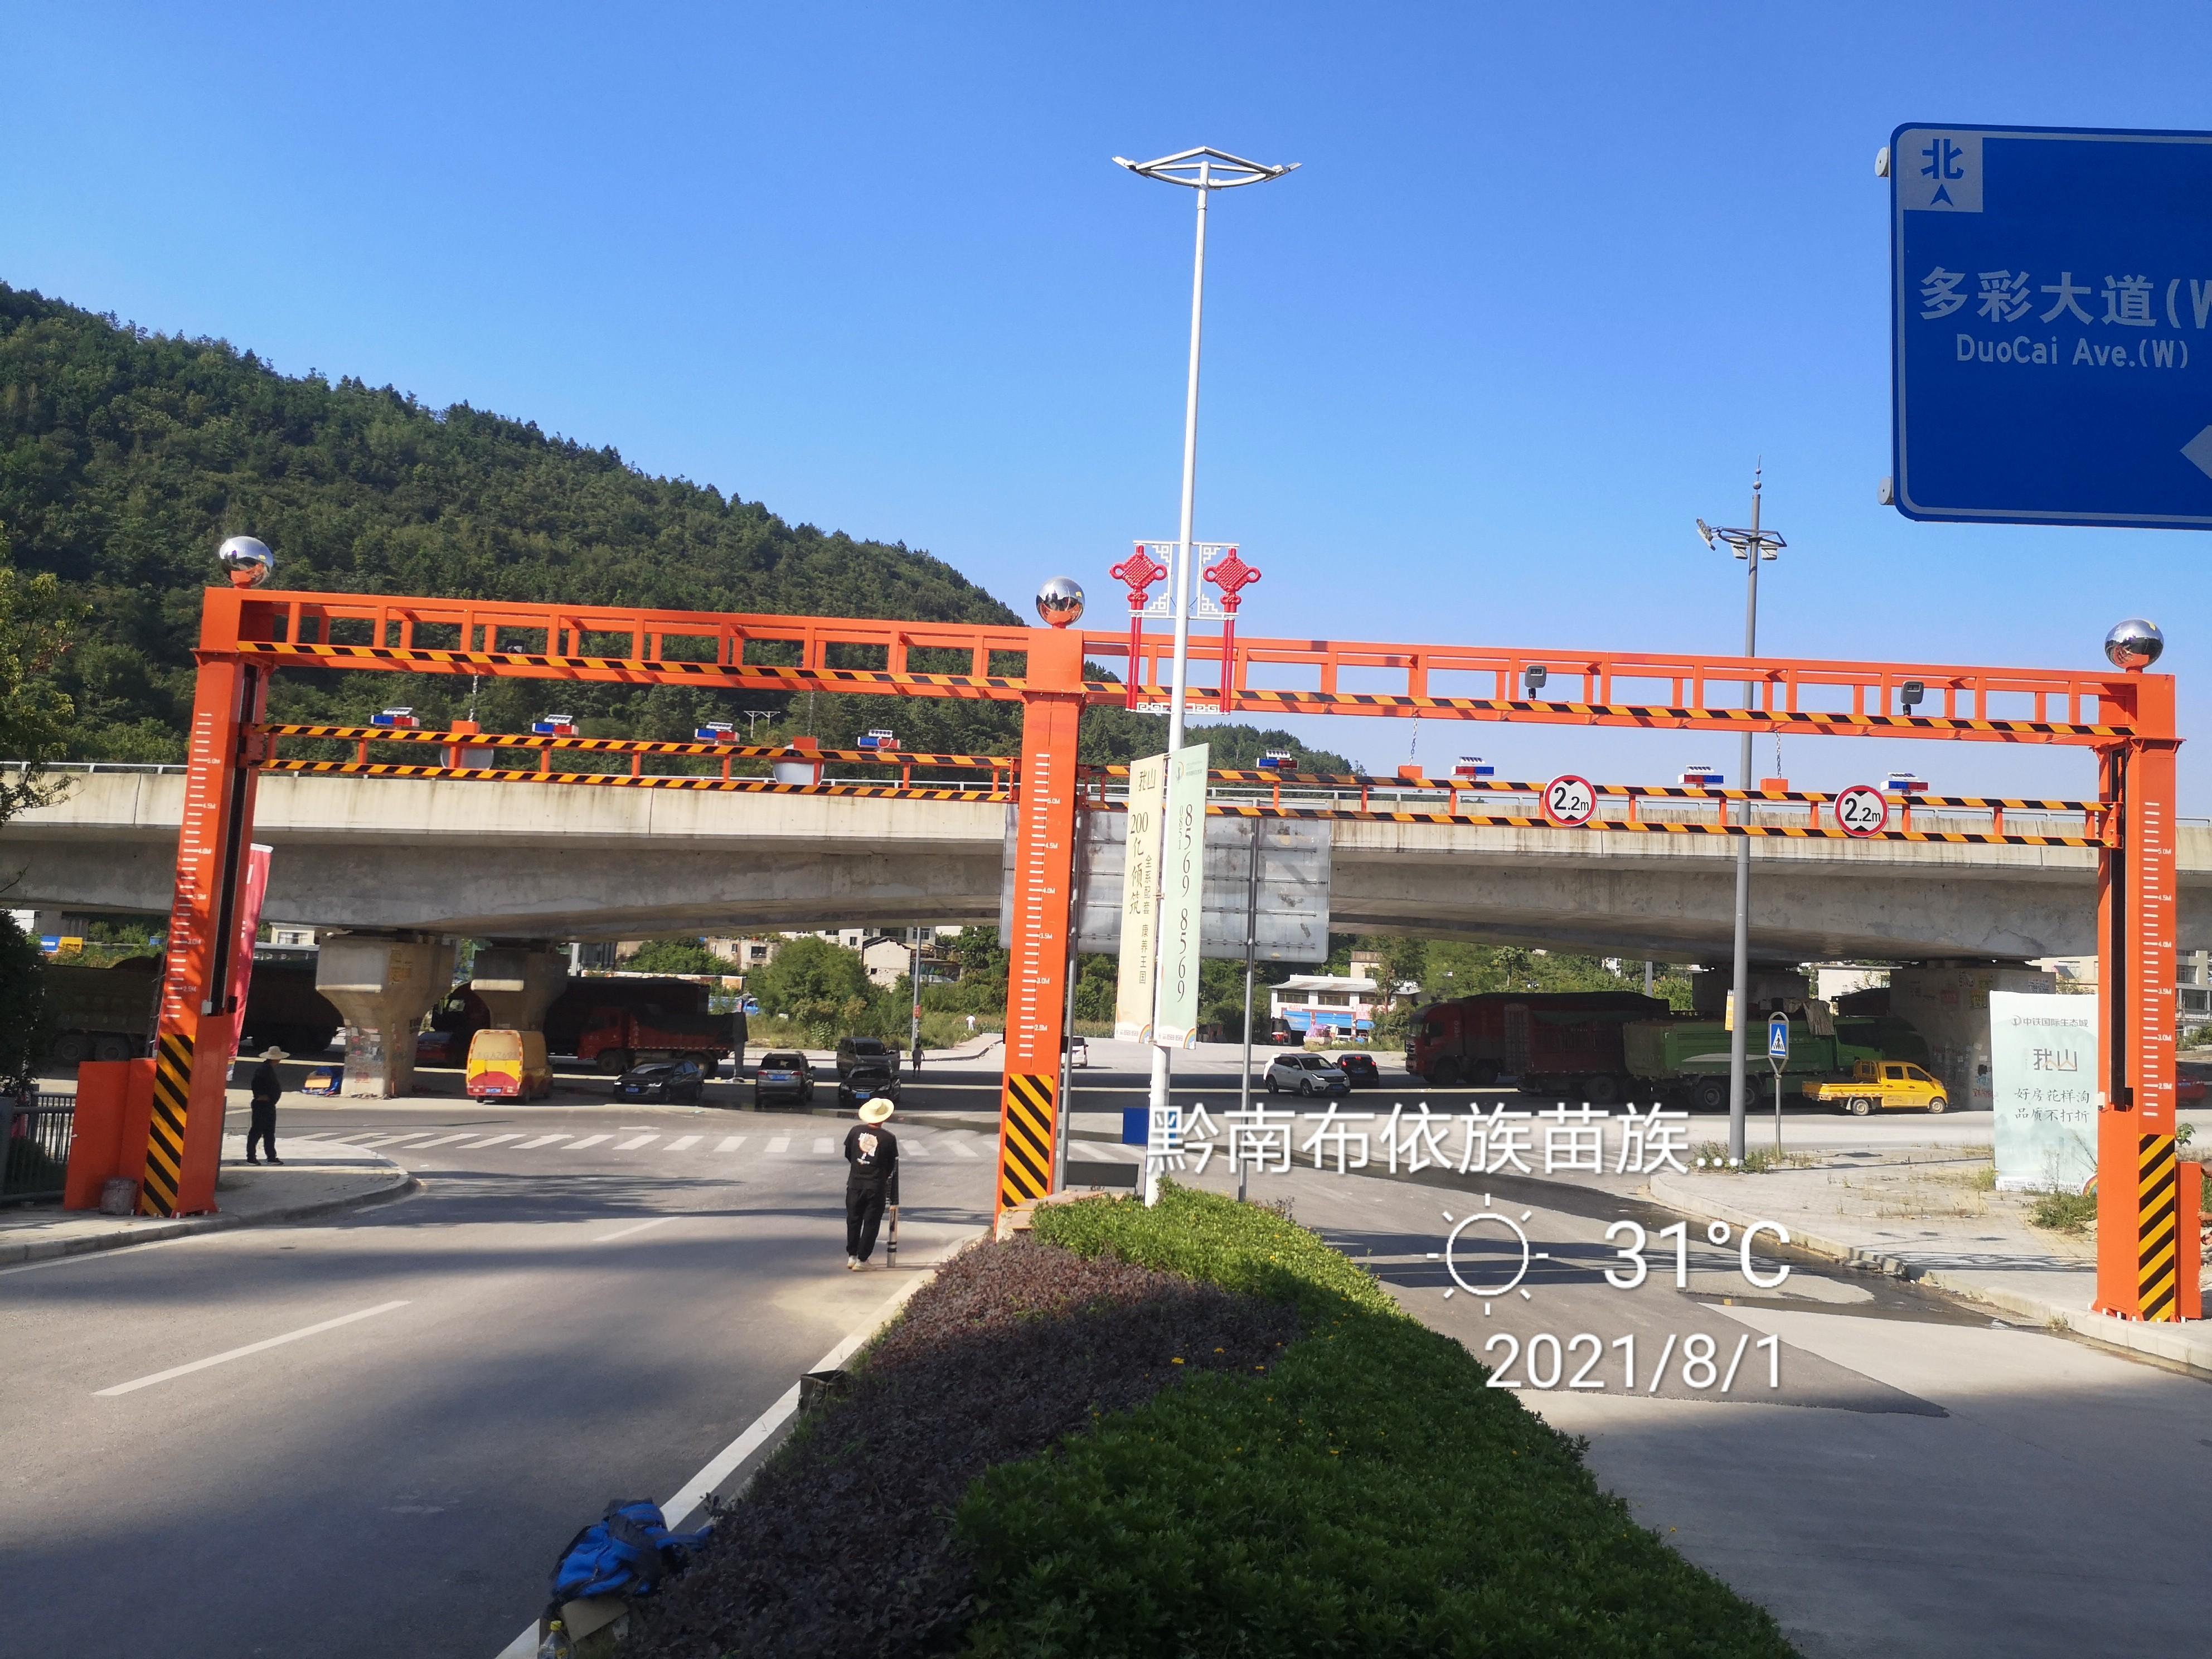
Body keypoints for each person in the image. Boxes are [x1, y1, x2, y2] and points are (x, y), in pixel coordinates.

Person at [842, 1098, 899, 1269]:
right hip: (876, 1185)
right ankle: (863, 1260)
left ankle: (852, 1256)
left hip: (855, 1183)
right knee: (871, 1223)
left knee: (853, 1220)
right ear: (884, 1117)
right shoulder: (889, 1138)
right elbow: (891, 1164)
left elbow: (848, 1154)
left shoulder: (855, 1131)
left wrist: (859, 1166)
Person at [246, 1046, 288, 1165]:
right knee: (257, 1131)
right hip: (262, 1104)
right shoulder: (263, 1070)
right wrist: (260, 1095)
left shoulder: (268, 1069)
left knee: (269, 1131)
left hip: (269, 1104)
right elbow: (256, 1084)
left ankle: (271, 1156)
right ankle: (251, 1157)